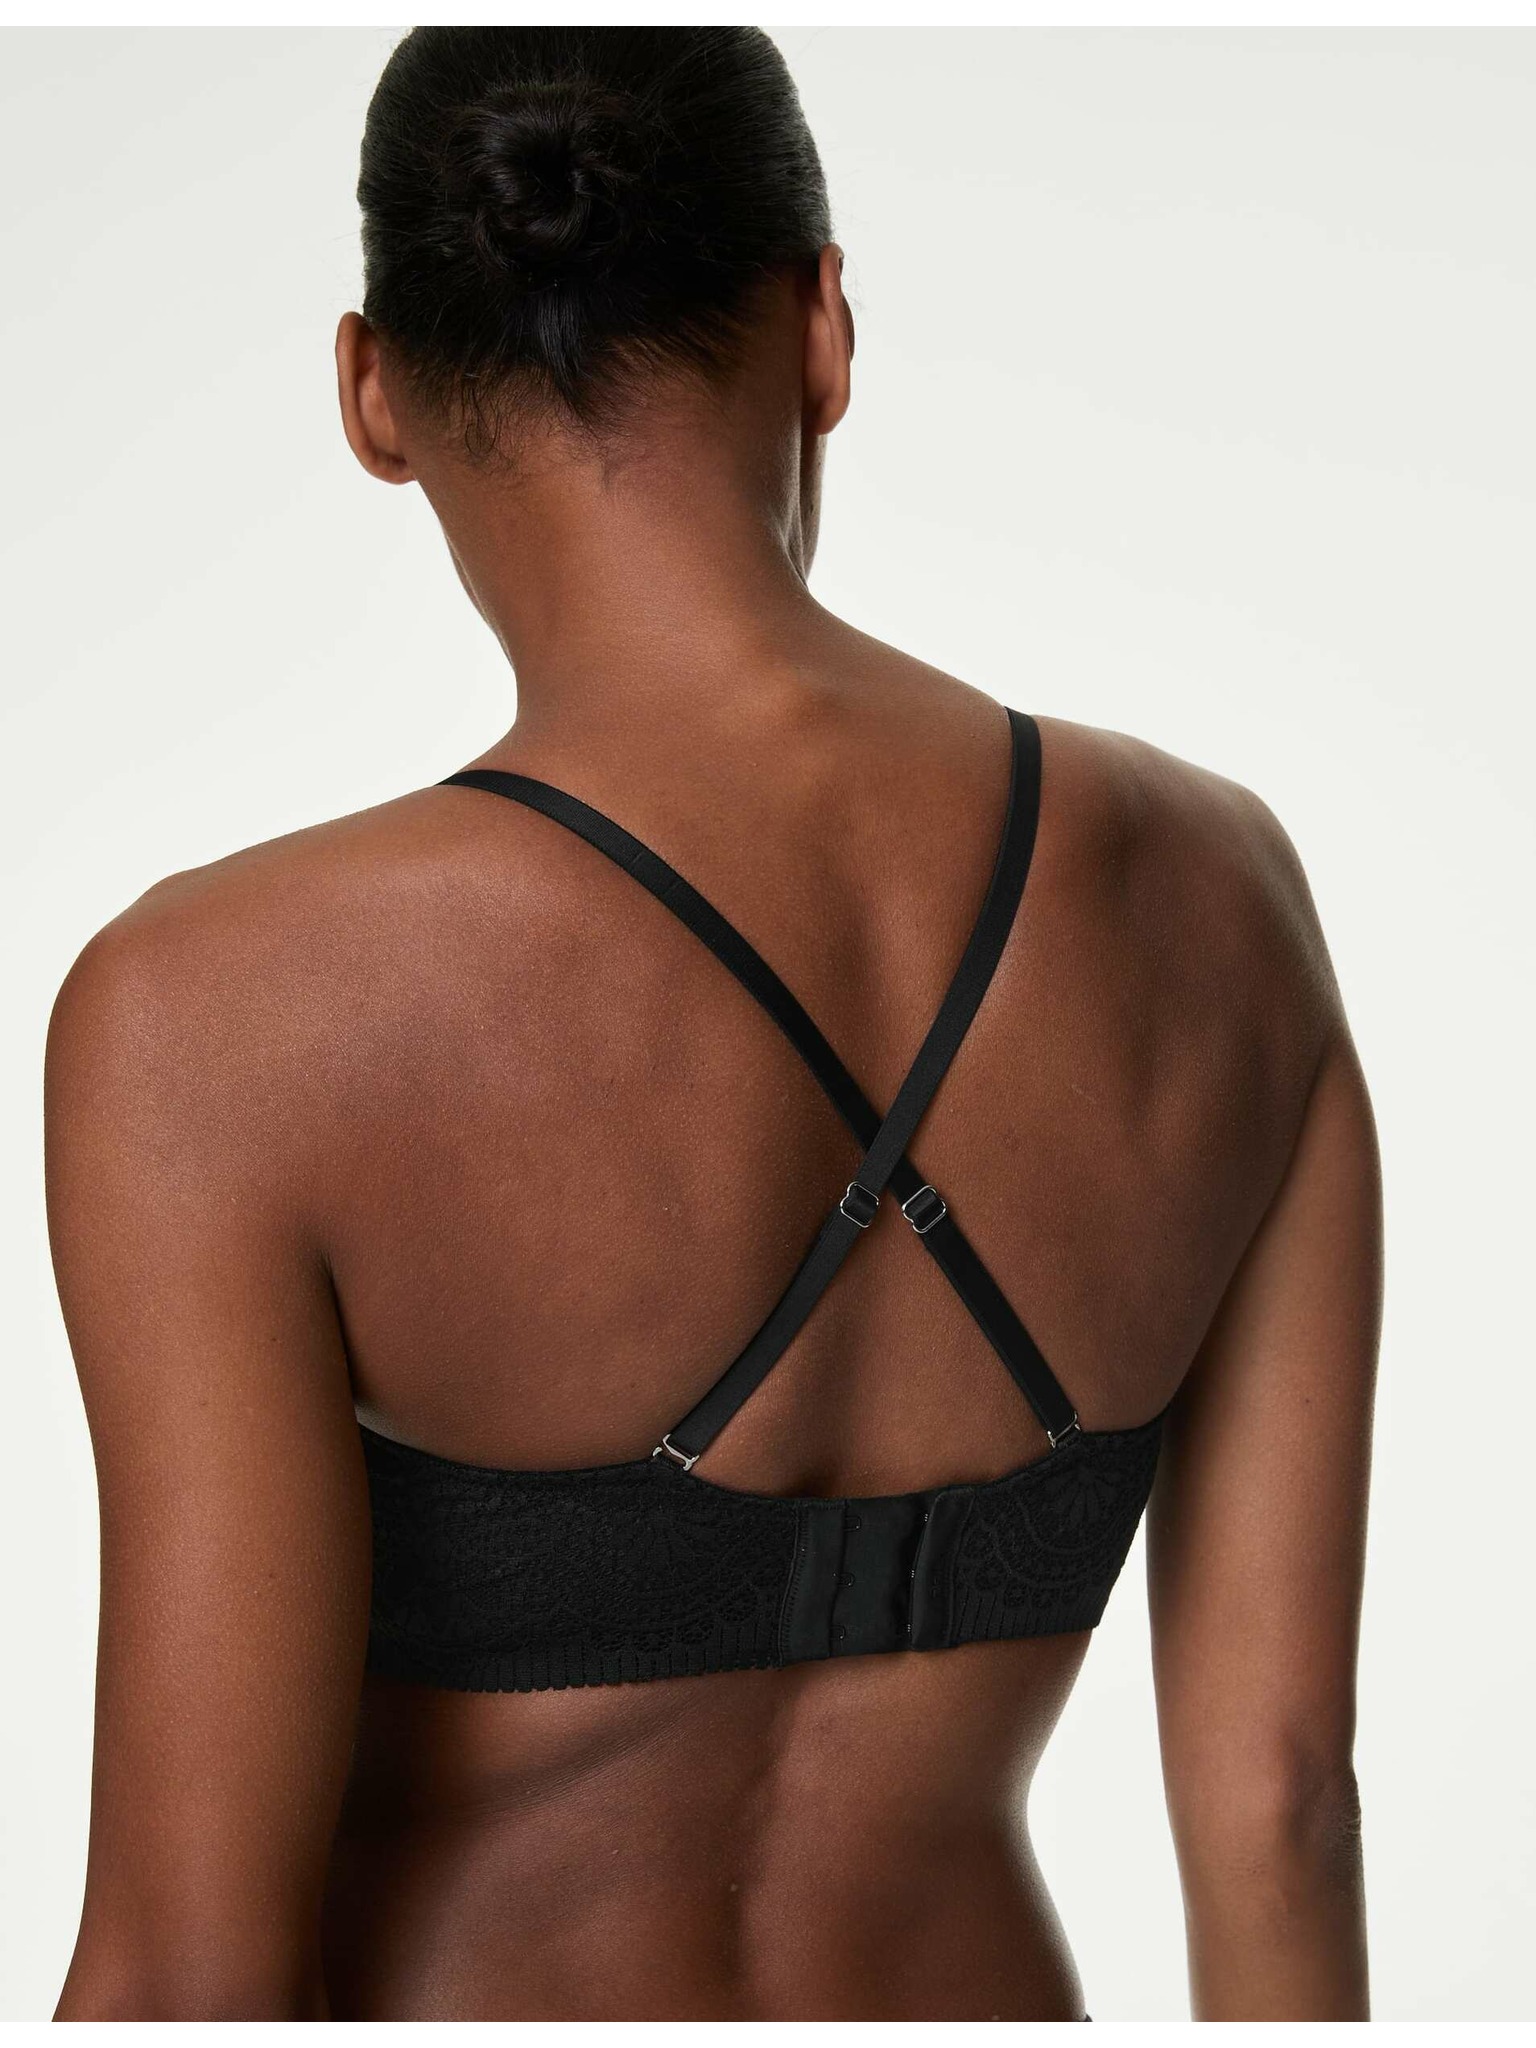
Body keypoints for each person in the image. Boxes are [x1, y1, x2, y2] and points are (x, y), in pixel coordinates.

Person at [47, 27, 1379, 2022]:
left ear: (373, 391)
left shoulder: (217, 1012)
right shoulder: (1227, 903)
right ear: (824, 324)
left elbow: (183, 1972)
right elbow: (1281, 1816)